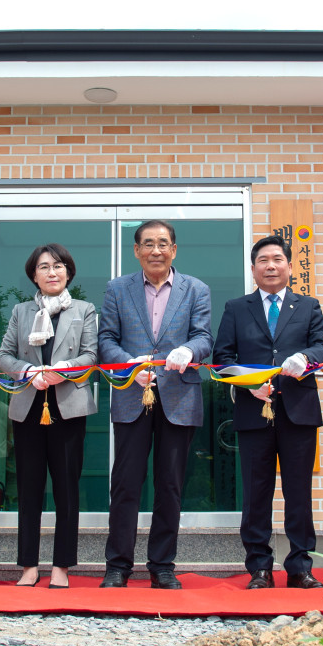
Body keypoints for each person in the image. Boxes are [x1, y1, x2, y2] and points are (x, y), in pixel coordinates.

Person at [97, 219, 213, 590]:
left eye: (163, 243)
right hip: (133, 393)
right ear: (136, 250)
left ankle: (162, 565)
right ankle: (118, 565)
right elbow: (106, 340)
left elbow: (204, 338)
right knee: (126, 484)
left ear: (174, 249)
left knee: (170, 485)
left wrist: (188, 349)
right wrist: (130, 365)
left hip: (179, 396)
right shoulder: (118, 289)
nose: (156, 250)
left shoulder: (197, 289)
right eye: (148, 243)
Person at [216, 235, 323, 590]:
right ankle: (260, 567)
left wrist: (306, 359)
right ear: (253, 269)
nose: (270, 265)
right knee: (256, 492)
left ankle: (299, 565)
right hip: (254, 410)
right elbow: (223, 358)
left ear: (290, 266)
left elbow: (322, 346)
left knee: (298, 492)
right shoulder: (237, 307)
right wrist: (248, 385)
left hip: (298, 411)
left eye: (277, 259)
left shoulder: (308, 306)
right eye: (263, 260)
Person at [0, 244, 99, 589]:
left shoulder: (84, 309)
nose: (51, 272)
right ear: (33, 275)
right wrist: (27, 371)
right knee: (29, 488)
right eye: (44, 267)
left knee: (67, 488)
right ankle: (28, 565)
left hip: (67, 408)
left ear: (68, 272)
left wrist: (62, 370)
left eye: (58, 266)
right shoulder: (21, 311)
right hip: (28, 407)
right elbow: (4, 356)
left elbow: (90, 355)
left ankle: (62, 567)